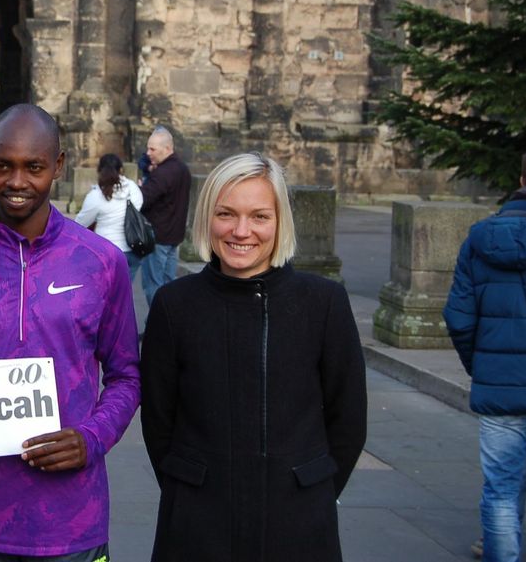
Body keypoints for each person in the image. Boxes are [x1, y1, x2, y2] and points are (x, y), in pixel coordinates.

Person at [0, 104, 140, 560]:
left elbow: (126, 376)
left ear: (57, 166)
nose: (17, 182)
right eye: (4, 166)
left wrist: (91, 438)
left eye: (34, 167)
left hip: (71, 518)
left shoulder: (101, 262)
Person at [140, 152, 367, 562]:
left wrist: (311, 490)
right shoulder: (175, 305)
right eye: (226, 214)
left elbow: (348, 421)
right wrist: (187, 488)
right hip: (197, 527)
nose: (241, 231)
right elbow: (159, 421)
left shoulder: (323, 303)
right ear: (208, 218)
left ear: (280, 222)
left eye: (259, 216)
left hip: (297, 525)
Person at [443, 150, 526, 562]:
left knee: (501, 487)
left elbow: (459, 317)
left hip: (500, 384)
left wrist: (480, 367)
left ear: (520, 178)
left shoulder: (481, 238)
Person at [139, 126, 192, 307]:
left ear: (167, 149)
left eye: (152, 149)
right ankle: (169, 326)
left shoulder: (163, 173)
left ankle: (157, 325)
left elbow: (143, 199)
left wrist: (139, 187)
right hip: (174, 236)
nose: (148, 153)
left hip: (159, 236)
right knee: (169, 284)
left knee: (152, 284)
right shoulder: (182, 169)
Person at [74, 153, 144, 279]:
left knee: (105, 295)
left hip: (105, 252)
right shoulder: (132, 188)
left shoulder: (96, 195)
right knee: (124, 295)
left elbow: (80, 223)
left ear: (99, 170)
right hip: (132, 250)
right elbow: (139, 205)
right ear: (121, 169)